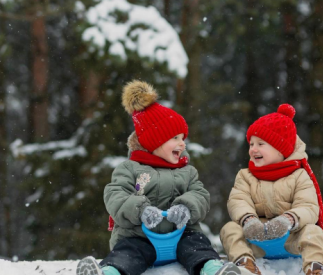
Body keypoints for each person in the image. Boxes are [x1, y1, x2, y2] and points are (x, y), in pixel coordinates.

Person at [76, 80, 240, 275]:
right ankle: (108, 273)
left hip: (181, 235)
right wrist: (141, 210)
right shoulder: (130, 169)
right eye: (175, 138)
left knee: (198, 245)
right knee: (126, 254)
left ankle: (212, 269)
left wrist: (186, 206)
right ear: (154, 140)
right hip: (139, 237)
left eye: (183, 138)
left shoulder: (186, 171)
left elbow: (200, 194)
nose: (182, 144)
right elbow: (115, 195)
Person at [220, 104, 323, 275]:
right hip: (256, 237)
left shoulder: (299, 176)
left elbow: (309, 207)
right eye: (251, 144)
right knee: (229, 229)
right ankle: (245, 264)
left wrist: (288, 220)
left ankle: (316, 267)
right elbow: (238, 200)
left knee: (313, 231)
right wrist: (248, 220)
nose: (253, 149)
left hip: (290, 239)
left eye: (260, 144)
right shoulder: (245, 176)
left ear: (281, 149)